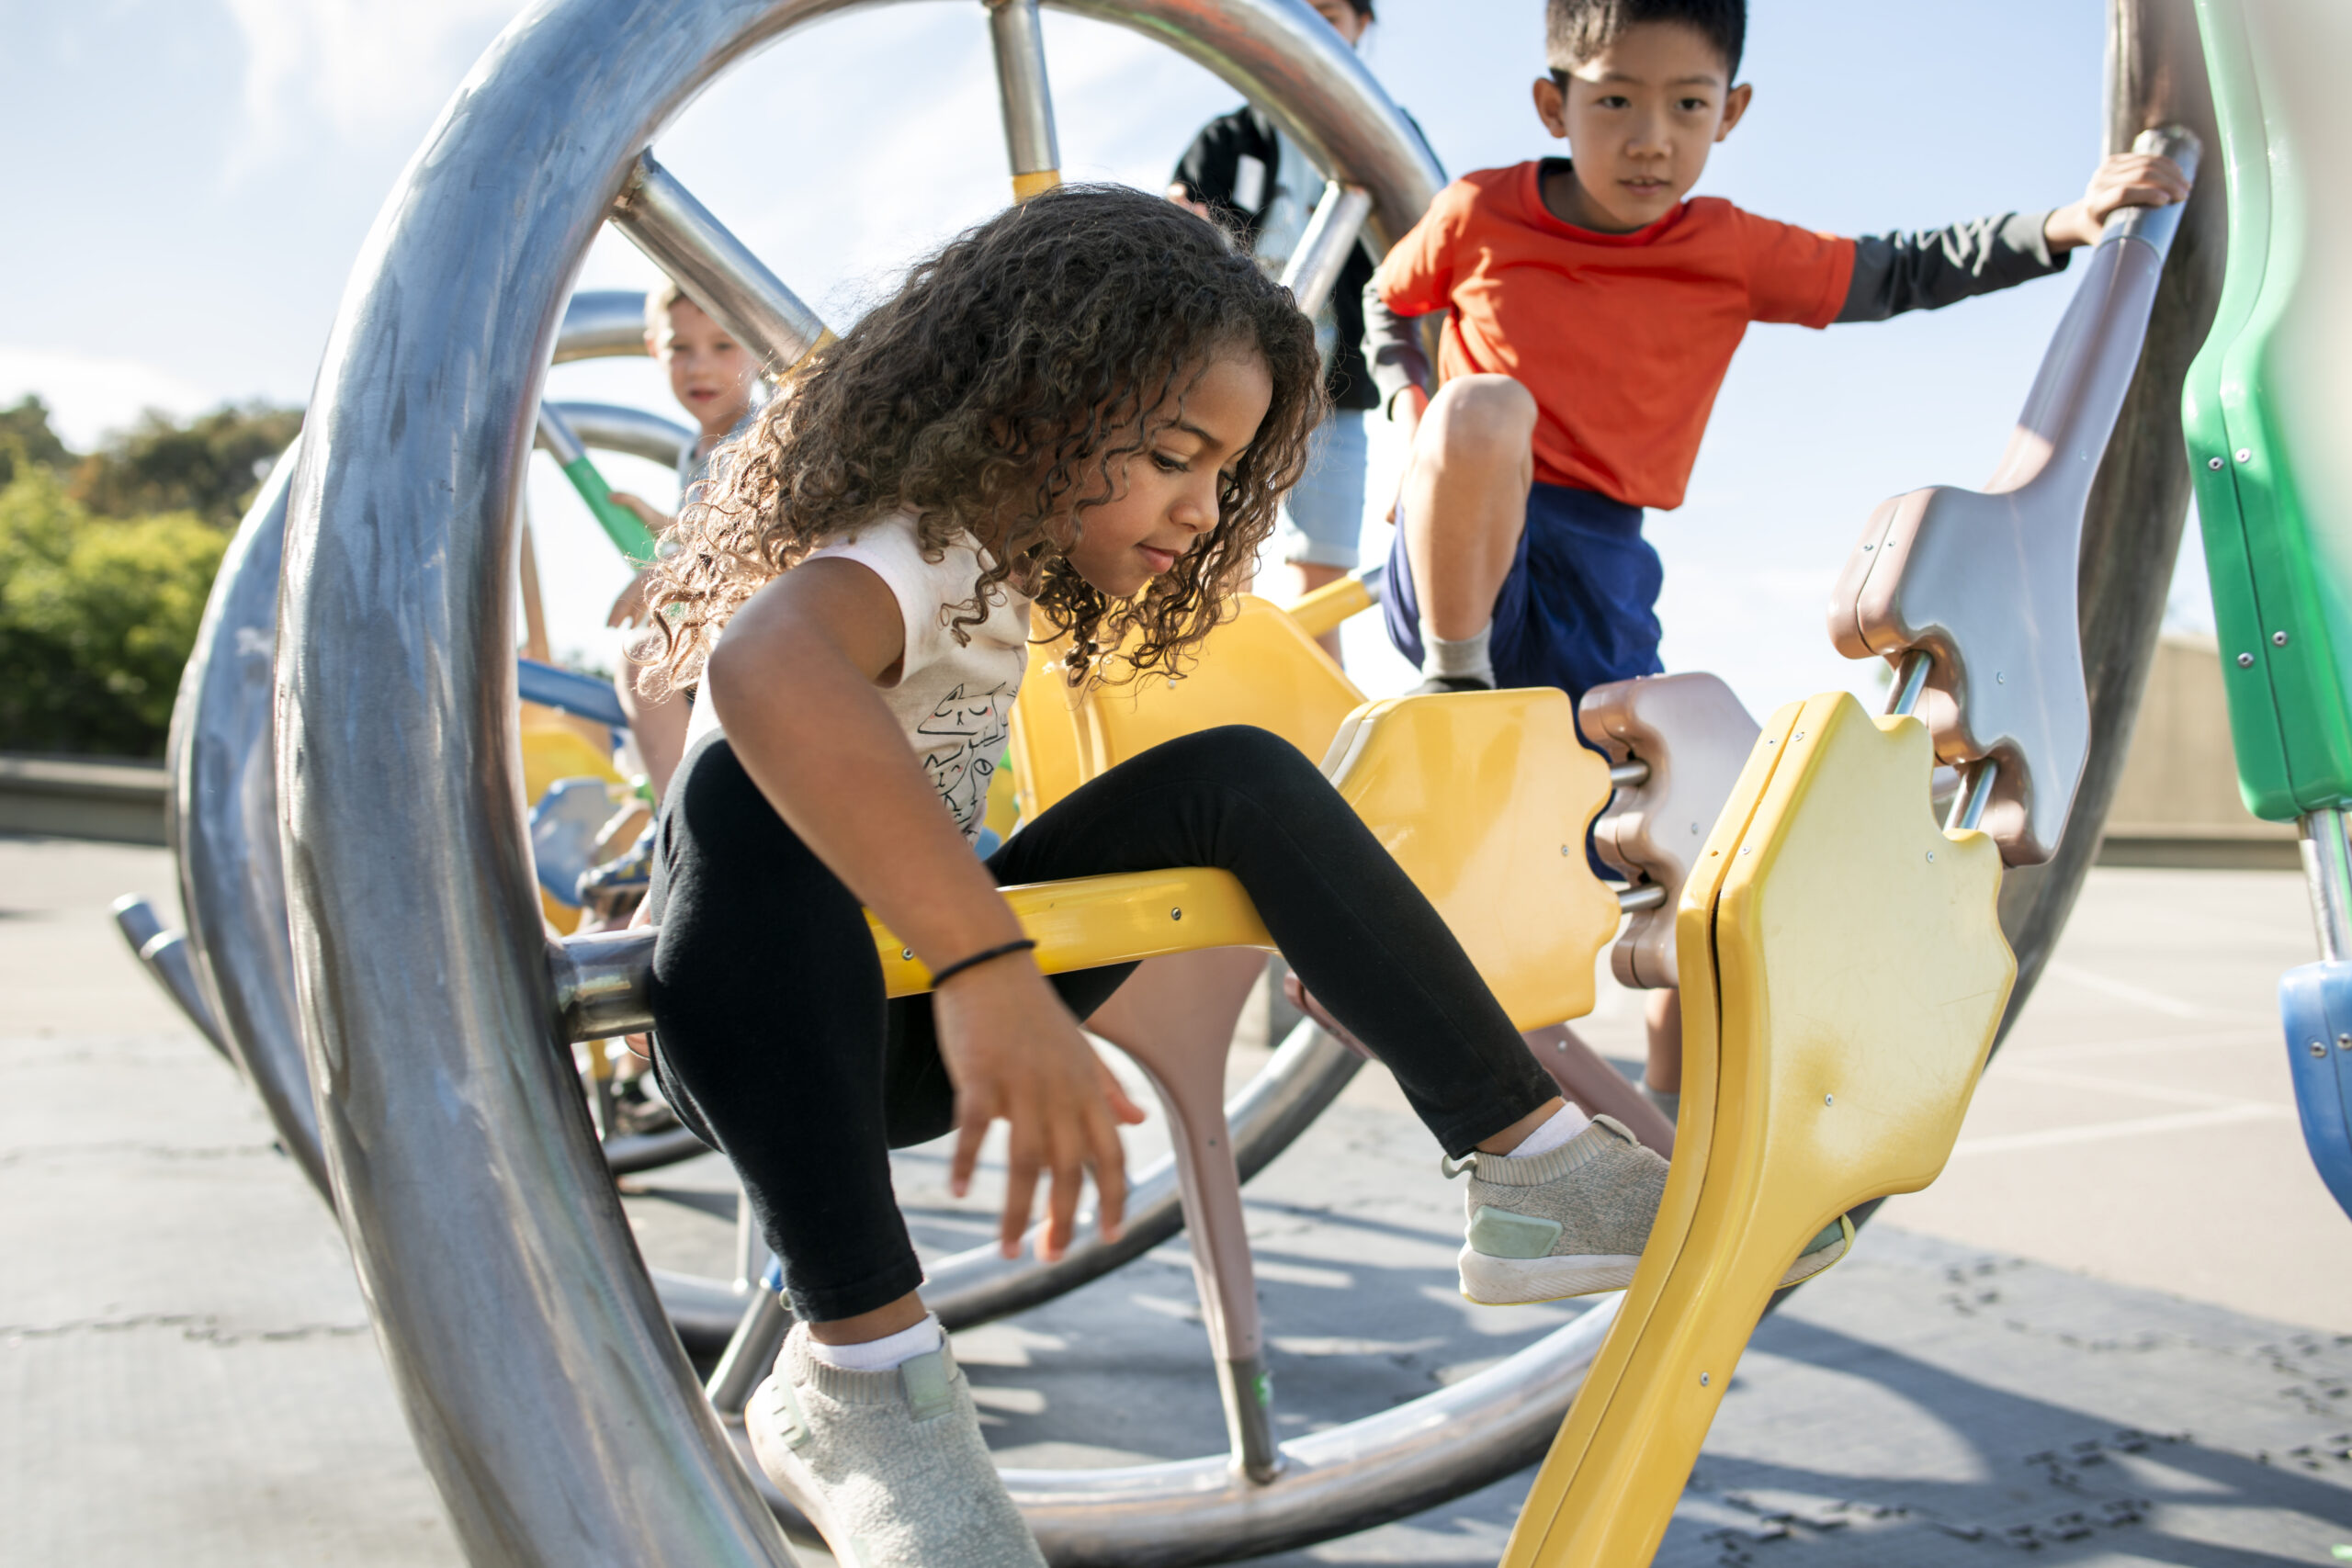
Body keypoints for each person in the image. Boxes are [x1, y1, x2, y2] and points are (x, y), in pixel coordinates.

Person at [630, 186, 1844, 1568]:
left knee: (1242, 776)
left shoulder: (1001, 580)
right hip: (764, 1024)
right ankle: (864, 1370)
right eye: (1171, 455)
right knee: (744, 783)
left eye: (1225, 472)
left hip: (902, 1031)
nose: (1201, 507)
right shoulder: (910, 547)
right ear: (1034, 400)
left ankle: (1534, 1161)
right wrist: (987, 965)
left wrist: (1345, 937)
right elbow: (763, 665)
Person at [1361, 0, 2189, 1119]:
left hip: (1605, 564)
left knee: (1701, 848)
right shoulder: (1477, 212)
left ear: (1730, 114)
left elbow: (1894, 272)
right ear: (1553, 104)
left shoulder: (1727, 250)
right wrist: (1408, 402)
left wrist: (2060, 224)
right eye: (1613, 103)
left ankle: (1677, 1111)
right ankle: (1455, 700)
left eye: (1685, 106)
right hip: (1471, 538)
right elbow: (1387, 301)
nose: (1650, 138)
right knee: (1483, 408)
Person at [1168, 0, 1387, 654]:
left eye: (1330, 14)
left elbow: (1422, 247)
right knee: (1212, 557)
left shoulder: (1382, 141)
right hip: (1233, 385)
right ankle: (1209, 690)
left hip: (1335, 396)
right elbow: (1175, 234)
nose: (1314, 29)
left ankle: (1315, 735)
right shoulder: (1228, 140)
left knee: (1323, 583)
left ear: (1361, 28)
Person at [605, 283, 763, 804]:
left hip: (768, 626)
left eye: (722, 346)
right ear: (655, 348)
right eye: (680, 349)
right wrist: (664, 526)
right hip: (730, 628)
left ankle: (678, 820)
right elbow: (705, 527)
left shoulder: (762, 433)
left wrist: (669, 572)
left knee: (643, 656)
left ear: (761, 350)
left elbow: (756, 530)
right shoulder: (694, 450)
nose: (700, 367)